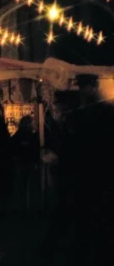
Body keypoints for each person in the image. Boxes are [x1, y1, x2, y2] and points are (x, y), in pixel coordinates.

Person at [58, 74, 114, 263]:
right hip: (99, 178)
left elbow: (69, 151)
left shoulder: (80, 117)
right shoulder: (105, 113)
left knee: (87, 223)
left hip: (86, 179)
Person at [11, 115, 39, 210]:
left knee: (21, 186)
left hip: (21, 163)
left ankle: (22, 207)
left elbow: (13, 147)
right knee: (29, 186)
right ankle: (29, 207)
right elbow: (34, 149)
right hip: (27, 163)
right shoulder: (30, 135)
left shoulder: (18, 135)